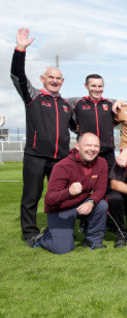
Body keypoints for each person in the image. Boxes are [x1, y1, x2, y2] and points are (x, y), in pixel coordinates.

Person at [11, 28, 76, 245]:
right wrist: (20, 50)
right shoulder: (33, 96)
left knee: (61, 196)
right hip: (36, 156)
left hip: (60, 160)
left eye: (58, 78)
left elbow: (78, 128)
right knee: (32, 197)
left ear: (63, 81)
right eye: (51, 77)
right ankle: (30, 234)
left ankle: (60, 227)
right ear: (43, 79)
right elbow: (17, 75)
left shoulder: (67, 105)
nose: (55, 81)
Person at [28, 133, 108, 254]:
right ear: (77, 146)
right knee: (62, 249)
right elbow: (49, 199)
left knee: (101, 205)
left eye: (96, 146)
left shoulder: (101, 162)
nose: (93, 149)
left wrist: (91, 202)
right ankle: (45, 236)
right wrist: (69, 192)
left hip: (81, 203)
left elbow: (100, 189)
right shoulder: (63, 166)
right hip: (60, 208)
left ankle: (93, 240)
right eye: (88, 145)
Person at [69, 74, 116, 171]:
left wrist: (121, 102)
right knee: (86, 183)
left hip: (107, 152)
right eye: (93, 86)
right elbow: (62, 112)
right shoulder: (78, 103)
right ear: (86, 86)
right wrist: (74, 127)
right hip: (86, 152)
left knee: (109, 183)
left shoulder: (110, 104)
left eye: (100, 86)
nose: (97, 89)